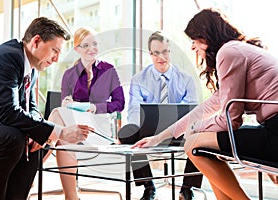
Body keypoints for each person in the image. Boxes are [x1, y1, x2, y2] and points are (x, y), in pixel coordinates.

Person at [133, 8, 278, 200]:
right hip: (272, 129)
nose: (192, 47)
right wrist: (159, 137)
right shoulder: (237, 49)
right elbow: (207, 108)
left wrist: (194, 129)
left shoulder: (228, 52)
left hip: (275, 134)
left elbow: (231, 121)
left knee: (194, 143)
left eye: (194, 40)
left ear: (206, 35)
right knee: (201, 146)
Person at [0, 17, 94, 200]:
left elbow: (31, 107)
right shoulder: (6, 58)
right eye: (54, 50)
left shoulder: (30, 68)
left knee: (37, 140)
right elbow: (8, 112)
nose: (56, 59)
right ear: (36, 41)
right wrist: (60, 131)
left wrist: (42, 133)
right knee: (13, 138)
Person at [118, 31, 201, 200]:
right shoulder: (139, 79)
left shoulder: (186, 79)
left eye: (165, 51)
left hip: (180, 133)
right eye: (156, 52)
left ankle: (187, 188)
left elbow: (193, 113)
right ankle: (148, 187)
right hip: (148, 133)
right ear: (150, 54)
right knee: (127, 132)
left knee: (201, 135)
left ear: (170, 52)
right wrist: (137, 127)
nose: (161, 57)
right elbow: (134, 110)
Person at [48, 27, 125, 200]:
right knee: (63, 134)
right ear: (77, 49)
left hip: (99, 127)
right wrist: (69, 104)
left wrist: (93, 107)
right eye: (85, 45)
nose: (92, 48)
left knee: (57, 117)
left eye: (95, 44)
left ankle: (37, 157)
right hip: (75, 126)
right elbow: (65, 103)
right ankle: (71, 196)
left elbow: (120, 104)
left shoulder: (109, 71)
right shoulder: (69, 74)